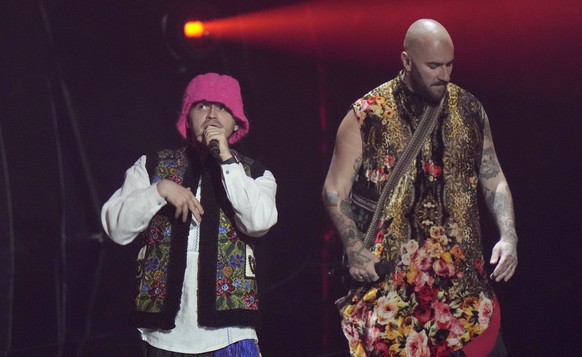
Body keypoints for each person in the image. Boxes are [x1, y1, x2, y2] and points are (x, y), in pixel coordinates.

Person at [322, 19, 518, 356]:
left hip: (465, 294)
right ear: (406, 60)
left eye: (450, 64)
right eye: (433, 66)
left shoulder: (470, 109)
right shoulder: (367, 115)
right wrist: (354, 247)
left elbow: (493, 175)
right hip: (395, 301)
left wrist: (509, 235)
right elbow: (334, 190)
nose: (444, 74)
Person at [101, 73, 278, 356]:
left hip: (230, 335)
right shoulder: (151, 166)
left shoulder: (255, 174)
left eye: (222, 107)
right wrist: (158, 191)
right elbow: (116, 228)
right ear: (187, 117)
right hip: (162, 336)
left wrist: (227, 162)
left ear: (236, 124)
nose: (211, 115)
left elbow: (259, 222)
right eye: (202, 106)